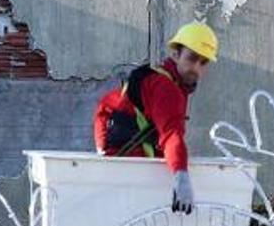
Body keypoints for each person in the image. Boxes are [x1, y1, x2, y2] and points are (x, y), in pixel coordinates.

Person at [93, 22, 219, 214]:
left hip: (121, 163)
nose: (196, 68)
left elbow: (107, 105)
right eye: (192, 58)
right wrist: (181, 175)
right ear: (176, 54)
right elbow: (170, 134)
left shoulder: (169, 81)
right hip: (128, 167)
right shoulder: (166, 87)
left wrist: (103, 152)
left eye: (203, 62)